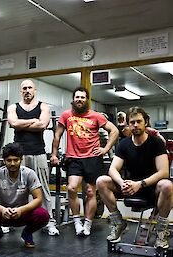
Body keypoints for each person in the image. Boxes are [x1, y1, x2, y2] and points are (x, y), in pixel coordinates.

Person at [96, 106, 173, 249]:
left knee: (167, 185)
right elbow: (113, 168)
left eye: (139, 121)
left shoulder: (156, 143)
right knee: (101, 181)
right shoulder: (124, 144)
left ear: (146, 122)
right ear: (128, 124)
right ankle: (119, 223)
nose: (135, 125)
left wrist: (140, 184)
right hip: (130, 186)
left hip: (151, 187)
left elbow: (164, 172)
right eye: (132, 122)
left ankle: (161, 231)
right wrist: (121, 182)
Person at [50, 86, 119, 236]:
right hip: (73, 158)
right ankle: (76, 222)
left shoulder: (96, 116)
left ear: (86, 100)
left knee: (90, 192)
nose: (79, 99)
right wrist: (54, 154)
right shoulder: (66, 115)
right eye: (77, 97)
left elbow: (114, 131)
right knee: (71, 188)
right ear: (73, 99)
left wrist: (105, 149)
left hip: (93, 158)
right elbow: (57, 135)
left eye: (82, 97)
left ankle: (87, 223)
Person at [7, 79, 59, 236]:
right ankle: (10, 221)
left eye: (30, 87)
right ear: (20, 91)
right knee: (15, 188)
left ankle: (49, 222)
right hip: (18, 155)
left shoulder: (43, 106)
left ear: (35, 90)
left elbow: (42, 125)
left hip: (38, 152)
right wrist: (32, 121)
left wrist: (21, 123)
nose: (27, 90)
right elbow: (12, 123)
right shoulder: (13, 107)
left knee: (42, 188)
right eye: (24, 88)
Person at [0, 142, 49, 248]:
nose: (13, 163)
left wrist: (21, 210)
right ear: (4, 160)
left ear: (21, 159)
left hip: (22, 214)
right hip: (3, 214)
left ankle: (27, 233)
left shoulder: (29, 174)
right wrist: (2, 210)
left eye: (16, 160)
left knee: (43, 215)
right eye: (9, 160)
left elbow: (38, 199)